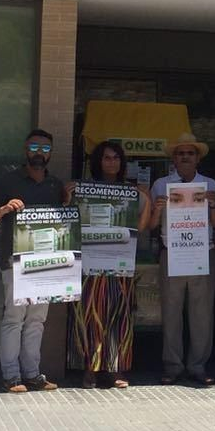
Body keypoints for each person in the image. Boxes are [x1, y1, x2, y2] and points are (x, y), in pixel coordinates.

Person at [68, 141, 155, 389]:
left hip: (120, 263)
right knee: (89, 316)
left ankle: (115, 370)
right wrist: (68, 194)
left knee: (119, 316)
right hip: (91, 264)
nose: (112, 162)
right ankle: (90, 370)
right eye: (107, 158)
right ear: (98, 161)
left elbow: (141, 227)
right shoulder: (85, 189)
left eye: (116, 158)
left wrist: (146, 201)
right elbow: (71, 221)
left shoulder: (130, 192)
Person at [0, 129, 64, 395]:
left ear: (51, 153)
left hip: (46, 261)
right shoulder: (9, 181)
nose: (39, 153)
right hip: (15, 259)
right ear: (25, 150)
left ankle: (32, 374)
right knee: (14, 318)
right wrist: (5, 208)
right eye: (34, 147)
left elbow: (65, 220)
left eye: (45, 149)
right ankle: (10, 375)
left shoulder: (55, 184)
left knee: (37, 320)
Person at [148, 136, 215, 387]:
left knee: (202, 313)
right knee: (171, 311)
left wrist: (212, 207)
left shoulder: (209, 184)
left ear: (198, 158)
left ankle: (198, 366)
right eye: (181, 153)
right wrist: (157, 209)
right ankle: (173, 366)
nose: (186, 157)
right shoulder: (160, 184)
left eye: (190, 153)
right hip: (173, 251)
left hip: (203, 250)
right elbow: (151, 226)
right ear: (174, 158)